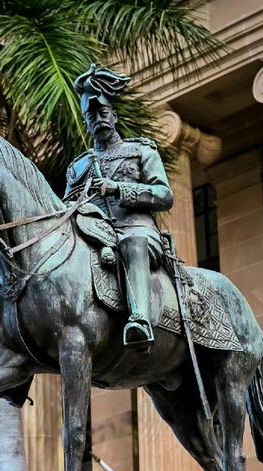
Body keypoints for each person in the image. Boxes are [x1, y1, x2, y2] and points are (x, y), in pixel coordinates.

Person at [64, 65, 174, 348]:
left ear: (114, 116)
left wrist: (119, 189)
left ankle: (139, 319)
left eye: (103, 113)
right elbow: (66, 209)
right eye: (91, 116)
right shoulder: (79, 167)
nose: (98, 119)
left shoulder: (141, 151)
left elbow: (164, 195)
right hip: (93, 237)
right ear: (85, 123)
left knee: (133, 244)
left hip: (136, 230)